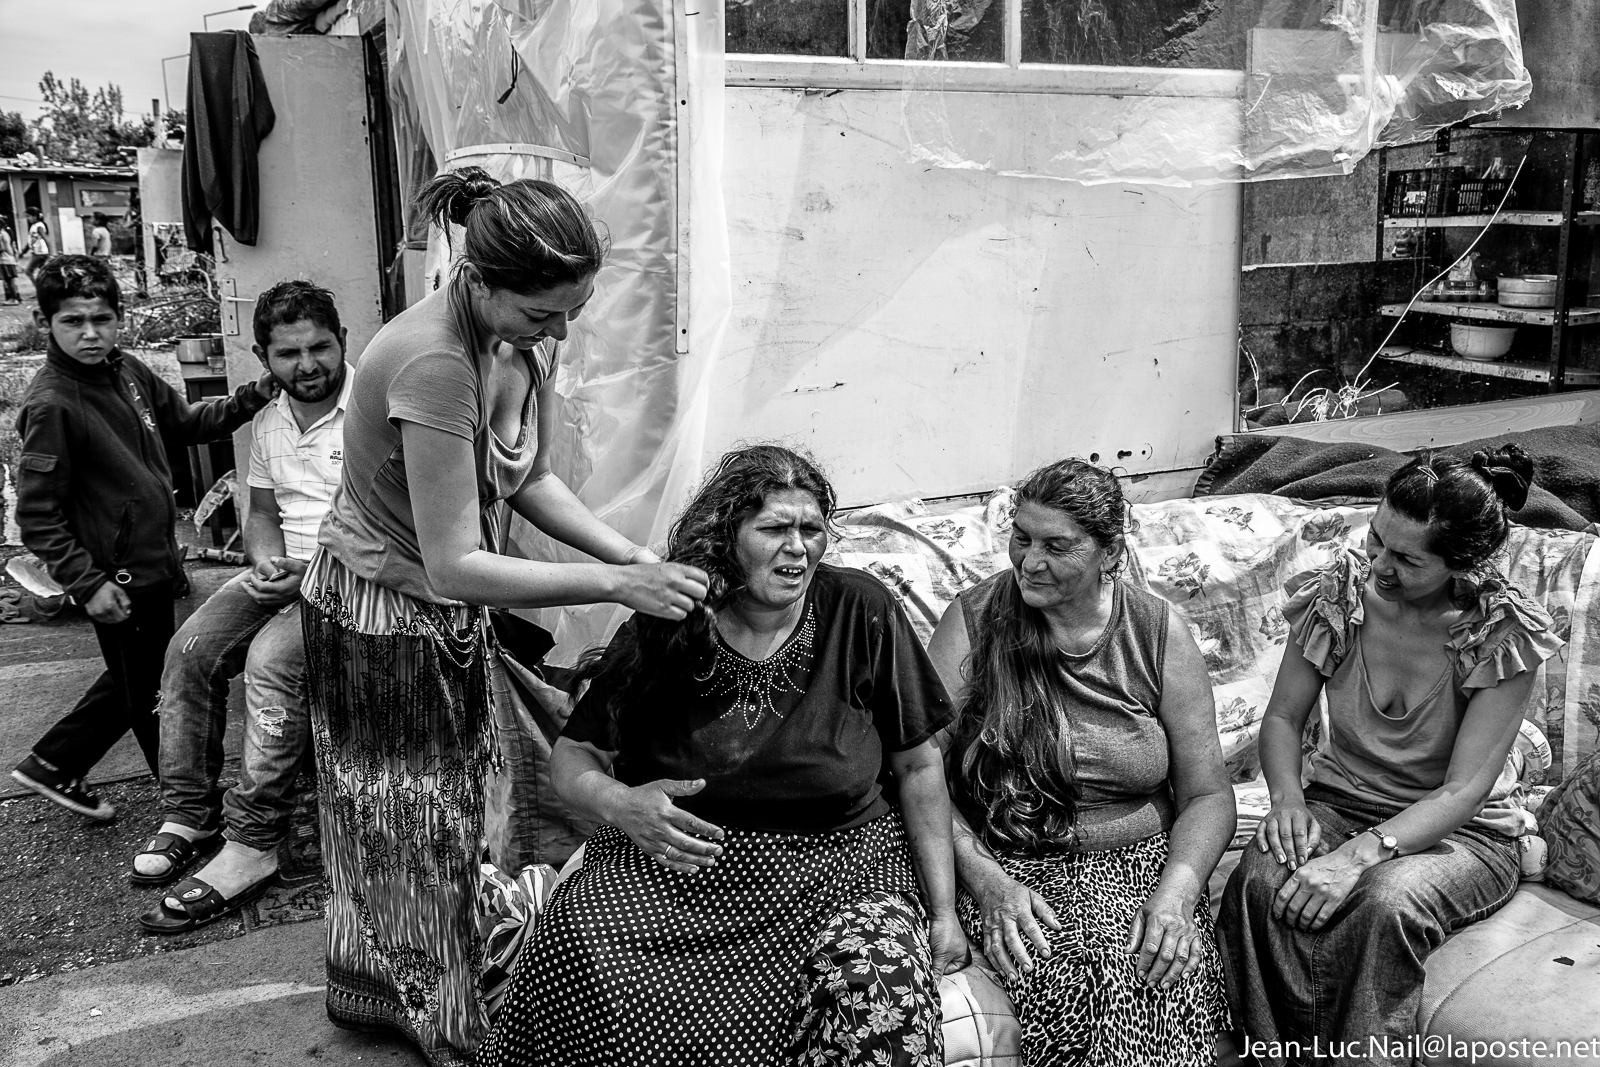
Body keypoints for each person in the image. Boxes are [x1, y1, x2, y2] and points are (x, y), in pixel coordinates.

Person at [300, 166, 708, 1066]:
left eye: (574, 310)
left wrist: (632, 556)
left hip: (441, 607)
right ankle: (438, 1015)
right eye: (542, 313)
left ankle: (407, 982)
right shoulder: (434, 363)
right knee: (410, 821)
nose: (559, 331)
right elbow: (455, 561)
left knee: (446, 812)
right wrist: (615, 588)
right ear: (479, 281)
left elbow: (529, 479)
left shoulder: (517, 343)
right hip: (381, 612)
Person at [478, 444, 967, 1067]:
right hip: (678, 865)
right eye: (775, 529)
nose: (798, 548)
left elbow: (919, 767)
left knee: (877, 986)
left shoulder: (858, 609)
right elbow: (576, 754)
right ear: (726, 537)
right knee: (576, 941)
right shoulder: (672, 617)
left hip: (841, 869)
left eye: (812, 529)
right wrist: (622, 804)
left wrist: (943, 913)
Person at [1218, 446, 1563, 1067]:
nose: (1379, 565)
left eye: (1407, 559)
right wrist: (1288, 801)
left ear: (1463, 563)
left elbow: (1463, 791)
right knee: (1261, 878)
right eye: (1377, 540)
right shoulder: (1338, 598)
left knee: (1383, 903)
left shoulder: (1500, 633)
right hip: (1338, 800)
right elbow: (1283, 718)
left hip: (1463, 831)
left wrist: (1357, 856)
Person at [926, 458, 1236, 1067]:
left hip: (1142, 868)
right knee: (1080, 974)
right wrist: (987, 882)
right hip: (1012, 862)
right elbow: (920, 771)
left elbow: (1208, 795)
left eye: (1056, 546)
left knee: (1149, 965)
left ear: (1109, 552)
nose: (1029, 562)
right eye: (1021, 538)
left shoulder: (1155, 631)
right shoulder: (975, 620)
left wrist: (1177, 894)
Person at [8, 255, 276, 819]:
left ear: (118, 317)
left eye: (101, 319)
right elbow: (36, 514)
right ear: (43, 322)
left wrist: (252, 397)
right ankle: (188, 806)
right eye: (72, 321)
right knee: (156, 692)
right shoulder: (52, 404)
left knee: (140, 676)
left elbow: (187, 423)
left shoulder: (126, 371)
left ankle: (53, 763)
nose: (89, 334)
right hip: (117, 578)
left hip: (154, 564)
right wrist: (88, 584)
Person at [133, 281, 352, 932]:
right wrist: (265, 562)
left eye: (320, 347)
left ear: (343, 341)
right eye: (289, 353)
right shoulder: (269, 420)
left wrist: (309, 576)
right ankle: (188, 812)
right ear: (263, 357)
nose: (308, 364)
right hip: (287, 573)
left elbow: (392, 532)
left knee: (269, 662)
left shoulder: (373, 407)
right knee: (190, 648)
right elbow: (261, 514)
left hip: (356, 580)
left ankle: (254, 839)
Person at [24, 209, 49, 278]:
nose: (27, 218)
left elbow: (46, 239)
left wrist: (50, 253)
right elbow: (31, 241)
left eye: (28, 216)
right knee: (43, 271)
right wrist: (23, 252)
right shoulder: (34, 226)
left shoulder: (39, 226)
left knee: (28, 271)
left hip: (39, 253)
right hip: (39, 252)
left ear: (35, 216)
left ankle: (38, 284)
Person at [0, 220, 20, 303]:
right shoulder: (6, 233)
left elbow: (2, 248)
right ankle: (14, 298)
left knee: (9, 280)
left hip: (5, 259)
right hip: (10, 258)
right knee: (10, 280)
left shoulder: (1, 234)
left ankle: (13, 298)